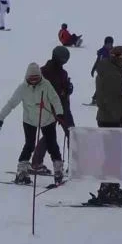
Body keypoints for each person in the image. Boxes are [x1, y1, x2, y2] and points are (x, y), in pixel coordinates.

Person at [0, 62, 66, 185]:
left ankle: (58, 169)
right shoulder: (22, 88)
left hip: (47, 119)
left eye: (36, 78)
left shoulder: (46, 85)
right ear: (27, 77)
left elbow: (55, 99)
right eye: (31, 78)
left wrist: (59, 113)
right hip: (29, 120)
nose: (33, 81)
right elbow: (11, 103)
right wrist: (1, 118)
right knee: (29, 145)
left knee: (52, 144)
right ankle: (22, 171)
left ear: (40, 76)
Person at [88, 45, 122, 206]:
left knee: (113, 156)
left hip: (112, 119)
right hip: (110, 120)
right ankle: (109, 189)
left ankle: (110, 187)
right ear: (113, 57)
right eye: (120, 56)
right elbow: (106, 99)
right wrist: (119, 119)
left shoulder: (112, 71)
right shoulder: (110, 73)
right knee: (113, 156)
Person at [30, 46, 75, 174]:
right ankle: (73, 164)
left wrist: (68, 88)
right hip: (53, 108)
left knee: (56, 134)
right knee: (70, 133)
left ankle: (37, 162)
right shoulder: (45, 72)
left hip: (59, 107)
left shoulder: (59, 72)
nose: (64, 62)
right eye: (63, 59)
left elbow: (63, 89)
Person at [89, 36, 114, 105]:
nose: (109, 46)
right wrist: (93, 69)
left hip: (110, 71)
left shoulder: (113, 51)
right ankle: (95, 99)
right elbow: (97, 61)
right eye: (108, 44)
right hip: (102, 71)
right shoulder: (102, 52)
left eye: (111, 44)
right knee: (102, 85)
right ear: (105, 44)